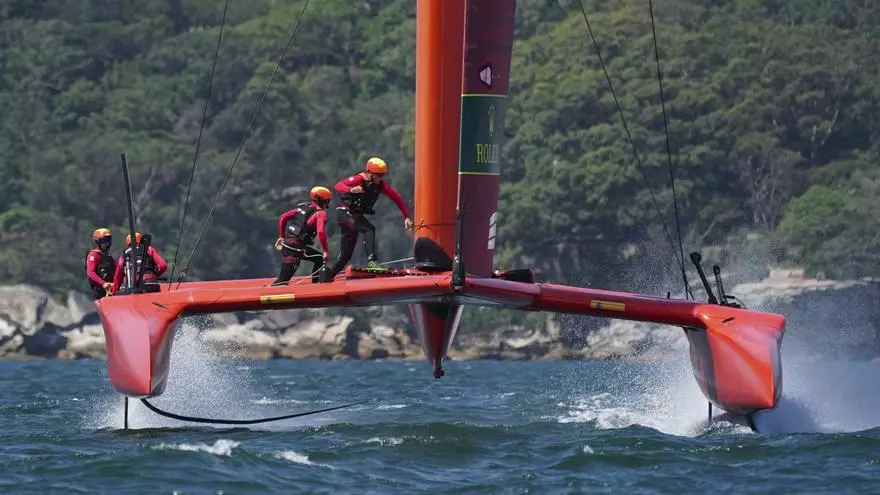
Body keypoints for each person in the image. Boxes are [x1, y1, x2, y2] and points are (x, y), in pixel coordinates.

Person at [326, 157, 413, 277]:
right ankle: (372, 261)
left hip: (352, 216)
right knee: (369, 229)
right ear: (370, 173)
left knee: (345, 255)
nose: (380, 178)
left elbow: (397, 199)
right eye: (378, 175)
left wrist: (407, 217)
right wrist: (351, 189)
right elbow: (337, 186)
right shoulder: (359, 179)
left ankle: (328, 276)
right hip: (344, 212)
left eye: (382, 175)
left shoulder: (380, 186)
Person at [273, 186, 332, 285]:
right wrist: (325, 251)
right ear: (324, 201)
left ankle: (316, 283)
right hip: (296, 249)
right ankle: (316, 285)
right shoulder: (320, 213)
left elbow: (282, 217)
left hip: (288, 244)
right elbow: (321, 232)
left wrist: (281, 237)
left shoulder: (303, 207)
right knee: (282, 281)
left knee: (318, 258)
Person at [85, 228, 116, 300]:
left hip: (112, 290)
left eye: (109, 240)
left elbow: (118, 270)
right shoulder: (93, 255)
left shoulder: (108, 257)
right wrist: (103, 283)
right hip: (100, 292)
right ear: (98, 242)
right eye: (105, 241)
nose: (107, 243)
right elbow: (90, 272)